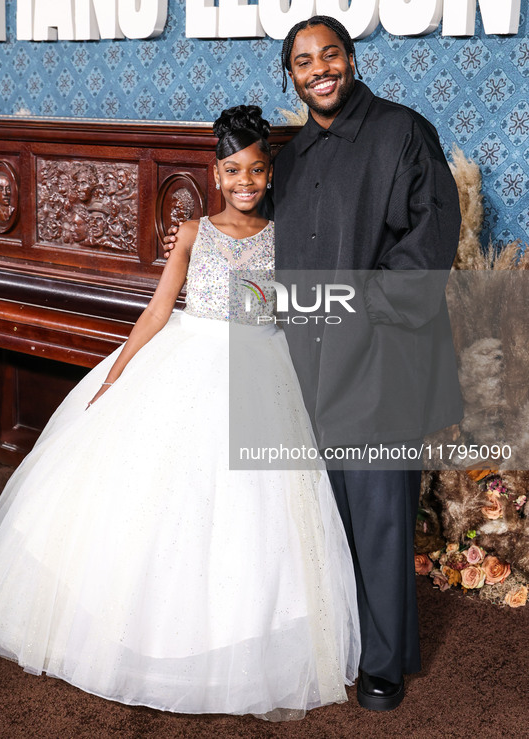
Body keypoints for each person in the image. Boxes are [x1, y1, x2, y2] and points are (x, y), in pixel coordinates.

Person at [0, 106, 360, 721]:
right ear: (216, 172)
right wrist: (118, 373)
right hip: (186, 356)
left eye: (256, 169)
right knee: (161, 495)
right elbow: (156, 310)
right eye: (232, 170)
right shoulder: (194, 231)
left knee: (253, 509)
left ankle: (236, 638)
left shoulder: (285, 235)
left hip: (259, 367)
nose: (245, 181)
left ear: (270, 172)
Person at [164, 17, 462, 712]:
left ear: (351, 60)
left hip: (382, 357)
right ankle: (346, 643)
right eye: (302, 61)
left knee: (381, 512)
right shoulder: (289, 160)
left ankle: (384, 665)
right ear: (290, 76)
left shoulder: (402, 132)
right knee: (325, 516)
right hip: (306, 366)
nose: (318, 68)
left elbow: (427, 247)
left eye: (330, 54)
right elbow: (266, 257)